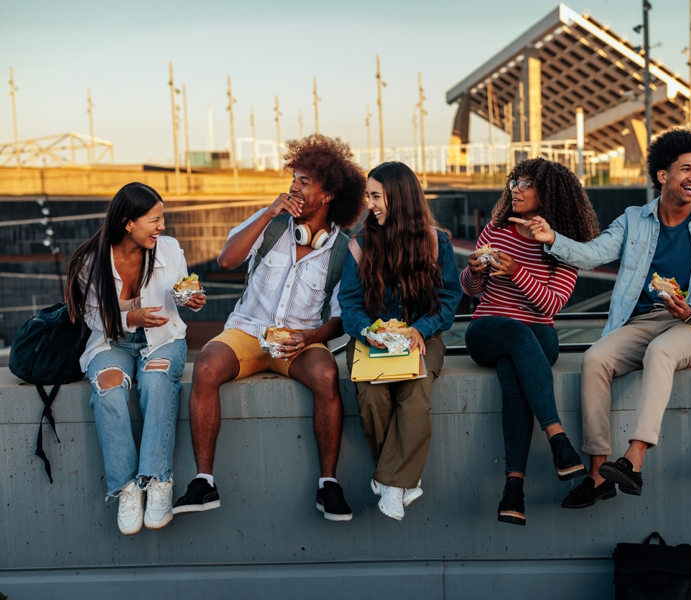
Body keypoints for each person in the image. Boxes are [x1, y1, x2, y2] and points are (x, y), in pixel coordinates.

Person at [521, 129, 691, 508]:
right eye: (686, 169)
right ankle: (598, 474)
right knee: (594, 359)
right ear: (662, 176)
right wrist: (552, 237)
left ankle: (633, 460)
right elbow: (593, 254)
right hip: (638, 322)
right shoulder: (633, 219)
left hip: (689, 325)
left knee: (660, 353)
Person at [172, 134, 366, 522]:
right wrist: (268, 212)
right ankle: (204, 481)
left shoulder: (345, 249)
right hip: (249, 329)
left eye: (305, 180)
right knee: (206, 365)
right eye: (294, 177)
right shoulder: (272, 224)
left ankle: (328, 485)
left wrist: (307, 338)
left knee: (327, 375)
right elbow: (227, 260)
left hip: (301, 340)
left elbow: (341, 316)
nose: (294, 185)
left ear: (328, 195)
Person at [460, 158, 600, 526]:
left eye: (525, 185)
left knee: (513, 367)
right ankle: (558, 440)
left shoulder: (563, 245)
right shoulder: (495, 230)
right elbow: (475, 292)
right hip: (487, 329)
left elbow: (552, 304)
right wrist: (473, 271)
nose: (515, 190)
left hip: (539, 335)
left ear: (549, 195)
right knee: (515, 335)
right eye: (513, 183)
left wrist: (518, 272)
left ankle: (513, 488)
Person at [65, 182, 206, 535]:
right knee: (109, 387)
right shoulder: (89, 260)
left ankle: (159, 481)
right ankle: (126, 488)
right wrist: (132, 319)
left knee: (157, 382)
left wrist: (191, 299)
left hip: (163, 341)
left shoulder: (169, 249)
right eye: (154, 220)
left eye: (162, 219)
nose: (161, 227)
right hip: (112, 342)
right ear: (129, 223)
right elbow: (93, 317)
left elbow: (181, 290)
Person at [339, 161, 462, 522]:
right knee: (372, 395)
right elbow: (349, 302)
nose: (370, 204)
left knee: (416, 389)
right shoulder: (359, 244)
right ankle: (401, 480)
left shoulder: (436, 243)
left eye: (376, 196)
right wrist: (369, 332)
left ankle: (389, 483)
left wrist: (420, 330)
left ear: (399, 196)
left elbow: (449, 299)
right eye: (368, 196)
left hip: (421, 337)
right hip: (372, 340)